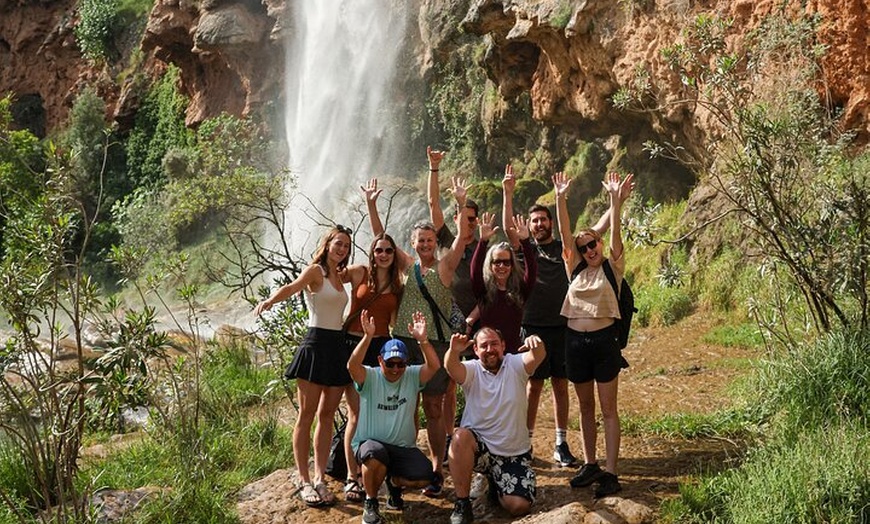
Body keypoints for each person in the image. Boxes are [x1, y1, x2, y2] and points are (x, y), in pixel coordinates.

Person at [502, 165, 633, 467]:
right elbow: (527, 229)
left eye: (542, 220)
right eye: (534, 221)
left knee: (571, 390)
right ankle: (529, 441)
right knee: (536, 387)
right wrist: (514, 193)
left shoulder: (589, 259)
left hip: (576, 331)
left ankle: (569, 447)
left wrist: (617, 202)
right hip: (543, 328)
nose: (538, 225)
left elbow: (604, 232)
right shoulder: (535, 252)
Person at [362, 176, 469, 498]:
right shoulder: (407, 266)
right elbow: (381, 239)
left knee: (434, 407)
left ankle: (436, 467)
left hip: (435, 343)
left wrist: (462, 203)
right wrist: (371, 204)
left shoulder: (446, 266)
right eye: (418, 241)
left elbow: (464, 236)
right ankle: (402, 464)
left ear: (435, 242)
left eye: (428, 240)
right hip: (404, 344)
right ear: (412, 243)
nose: (423, 245)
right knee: (405, 408)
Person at [253, 224, 353, 507]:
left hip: (336, 347)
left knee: (327, 415)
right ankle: (304, 479)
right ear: (328, 244)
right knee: (306, 415)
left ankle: (320, 478)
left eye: (346, 245)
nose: (342, 249)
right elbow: (292, 287)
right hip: (315, 344)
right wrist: (270, 301)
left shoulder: (340, 276)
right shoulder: (316, 271)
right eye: (338, 244)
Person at [555, 171, 634, 497]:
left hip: (604, 343)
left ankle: (611, 471)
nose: (589, 249)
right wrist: (560, 198)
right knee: (585, 408)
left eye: (593, 244)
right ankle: (590, 464)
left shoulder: (611, 268)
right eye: (584, 246)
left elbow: (615, 234)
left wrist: (616, 201)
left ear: (600, 245)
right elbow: (564, 232)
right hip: (575, 343)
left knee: (608, 408)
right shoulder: (573, 266)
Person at [445, 328, 546, 524]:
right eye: (484, 345)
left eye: (494, 344)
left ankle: (494, 483)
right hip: (480, 450)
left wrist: (536, 342)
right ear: (475, 349)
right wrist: (453, 350)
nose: (490, 349)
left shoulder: (515, 365)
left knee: (518, 506)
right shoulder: (473, 370)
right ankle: (462, 503)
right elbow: (452, 367)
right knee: (460, 438)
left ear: (503, 346)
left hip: (513, 454)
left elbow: (538, 356)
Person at [347, 310, 440, 524]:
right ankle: (371, 504)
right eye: (390, 363)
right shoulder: (370, 376)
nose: (396, 369)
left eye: (400, 363)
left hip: (403, 448)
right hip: (371, 444)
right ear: (381, 361)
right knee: (374, 453)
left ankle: (394, 485)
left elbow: (434, 366)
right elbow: (352, 366)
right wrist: (367, 337)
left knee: (426, 476)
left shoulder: (412, 375)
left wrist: (423, 340)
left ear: (406, 363)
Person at [340, 233, 405, 503]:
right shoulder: (359, 272)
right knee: (355, 413)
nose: (384, 254)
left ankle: (383, 472)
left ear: (394, 254)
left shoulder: (397, 285)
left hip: (381, 349)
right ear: (372, 252)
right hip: (354, 344)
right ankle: (351, 476)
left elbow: (393, 321)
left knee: (379, 412)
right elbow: (331, 272)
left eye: (389, 250)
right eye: (379, 250)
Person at [469, 211, 536, 354]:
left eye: (506, 262)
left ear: (512, 266)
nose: (502, 266)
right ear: (490, 265)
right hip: (487, 354)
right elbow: (474, 272)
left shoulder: (520, 291)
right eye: (497, 262)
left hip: (513, 356)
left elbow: (532, 271)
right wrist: (482, 242)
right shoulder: (483, 292)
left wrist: (525, 241)